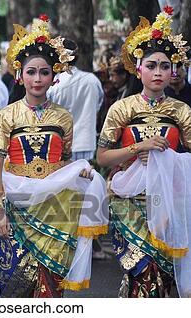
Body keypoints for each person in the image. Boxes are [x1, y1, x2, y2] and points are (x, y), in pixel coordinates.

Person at [0, 14, 108, 298]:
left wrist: (79, 171)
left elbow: (62, 162)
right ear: (20, 74)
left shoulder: (63, 117)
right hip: (17, 207)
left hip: (55, 209)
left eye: (44, 72)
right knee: (13, 287)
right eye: (31, 72)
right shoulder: (6, 115)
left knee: (51, 288)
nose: (37, 79)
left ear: (54, 76)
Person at [97, 6, 191, 297]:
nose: (159, 72)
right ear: (137, 68)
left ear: (173, 70)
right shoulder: (122, 108)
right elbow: (103, 158)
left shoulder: (182, 110)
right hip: (128, 203)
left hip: (169, 201)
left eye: (165, 66)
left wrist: (169, 159)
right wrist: (140, 148)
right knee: (139, 272)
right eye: (151, 65)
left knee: (162, 277)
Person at [47, 39, 104, 161]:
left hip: (61, 143)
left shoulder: (54, 85)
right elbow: (98, 106)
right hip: (86, 141)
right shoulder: (92, 80)